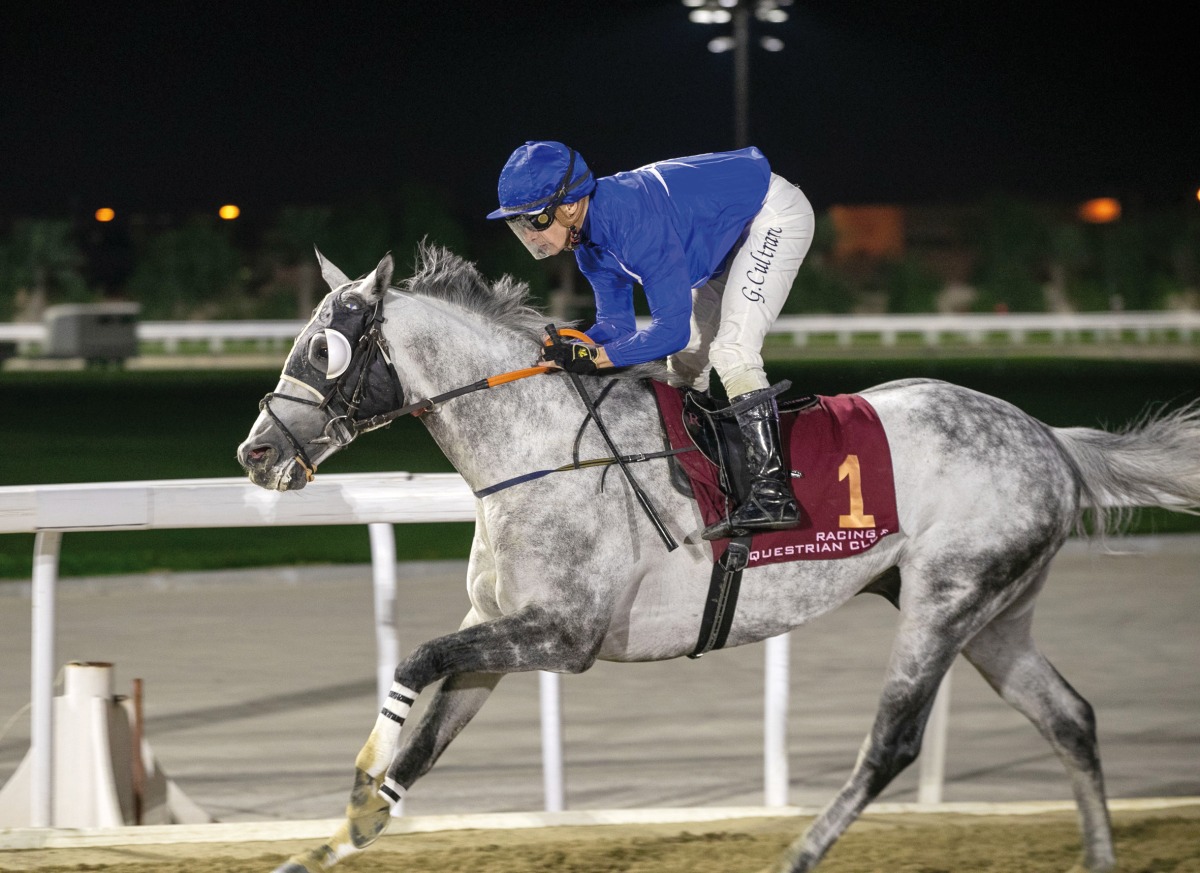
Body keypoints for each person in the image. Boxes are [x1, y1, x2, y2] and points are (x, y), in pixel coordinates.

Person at [486, 140, 815, 541]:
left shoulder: (632, 223)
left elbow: (668, 332)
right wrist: (577, 346)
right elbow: (616, 327)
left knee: (731, 351)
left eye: (532, 221)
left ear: (569, 206)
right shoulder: (587, 244)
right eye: (517, 223)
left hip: (770, 214)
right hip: (722, 237)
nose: (527, 235)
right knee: (687, 364)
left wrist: (596, 357)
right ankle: (705, 469)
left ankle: (772, 491)